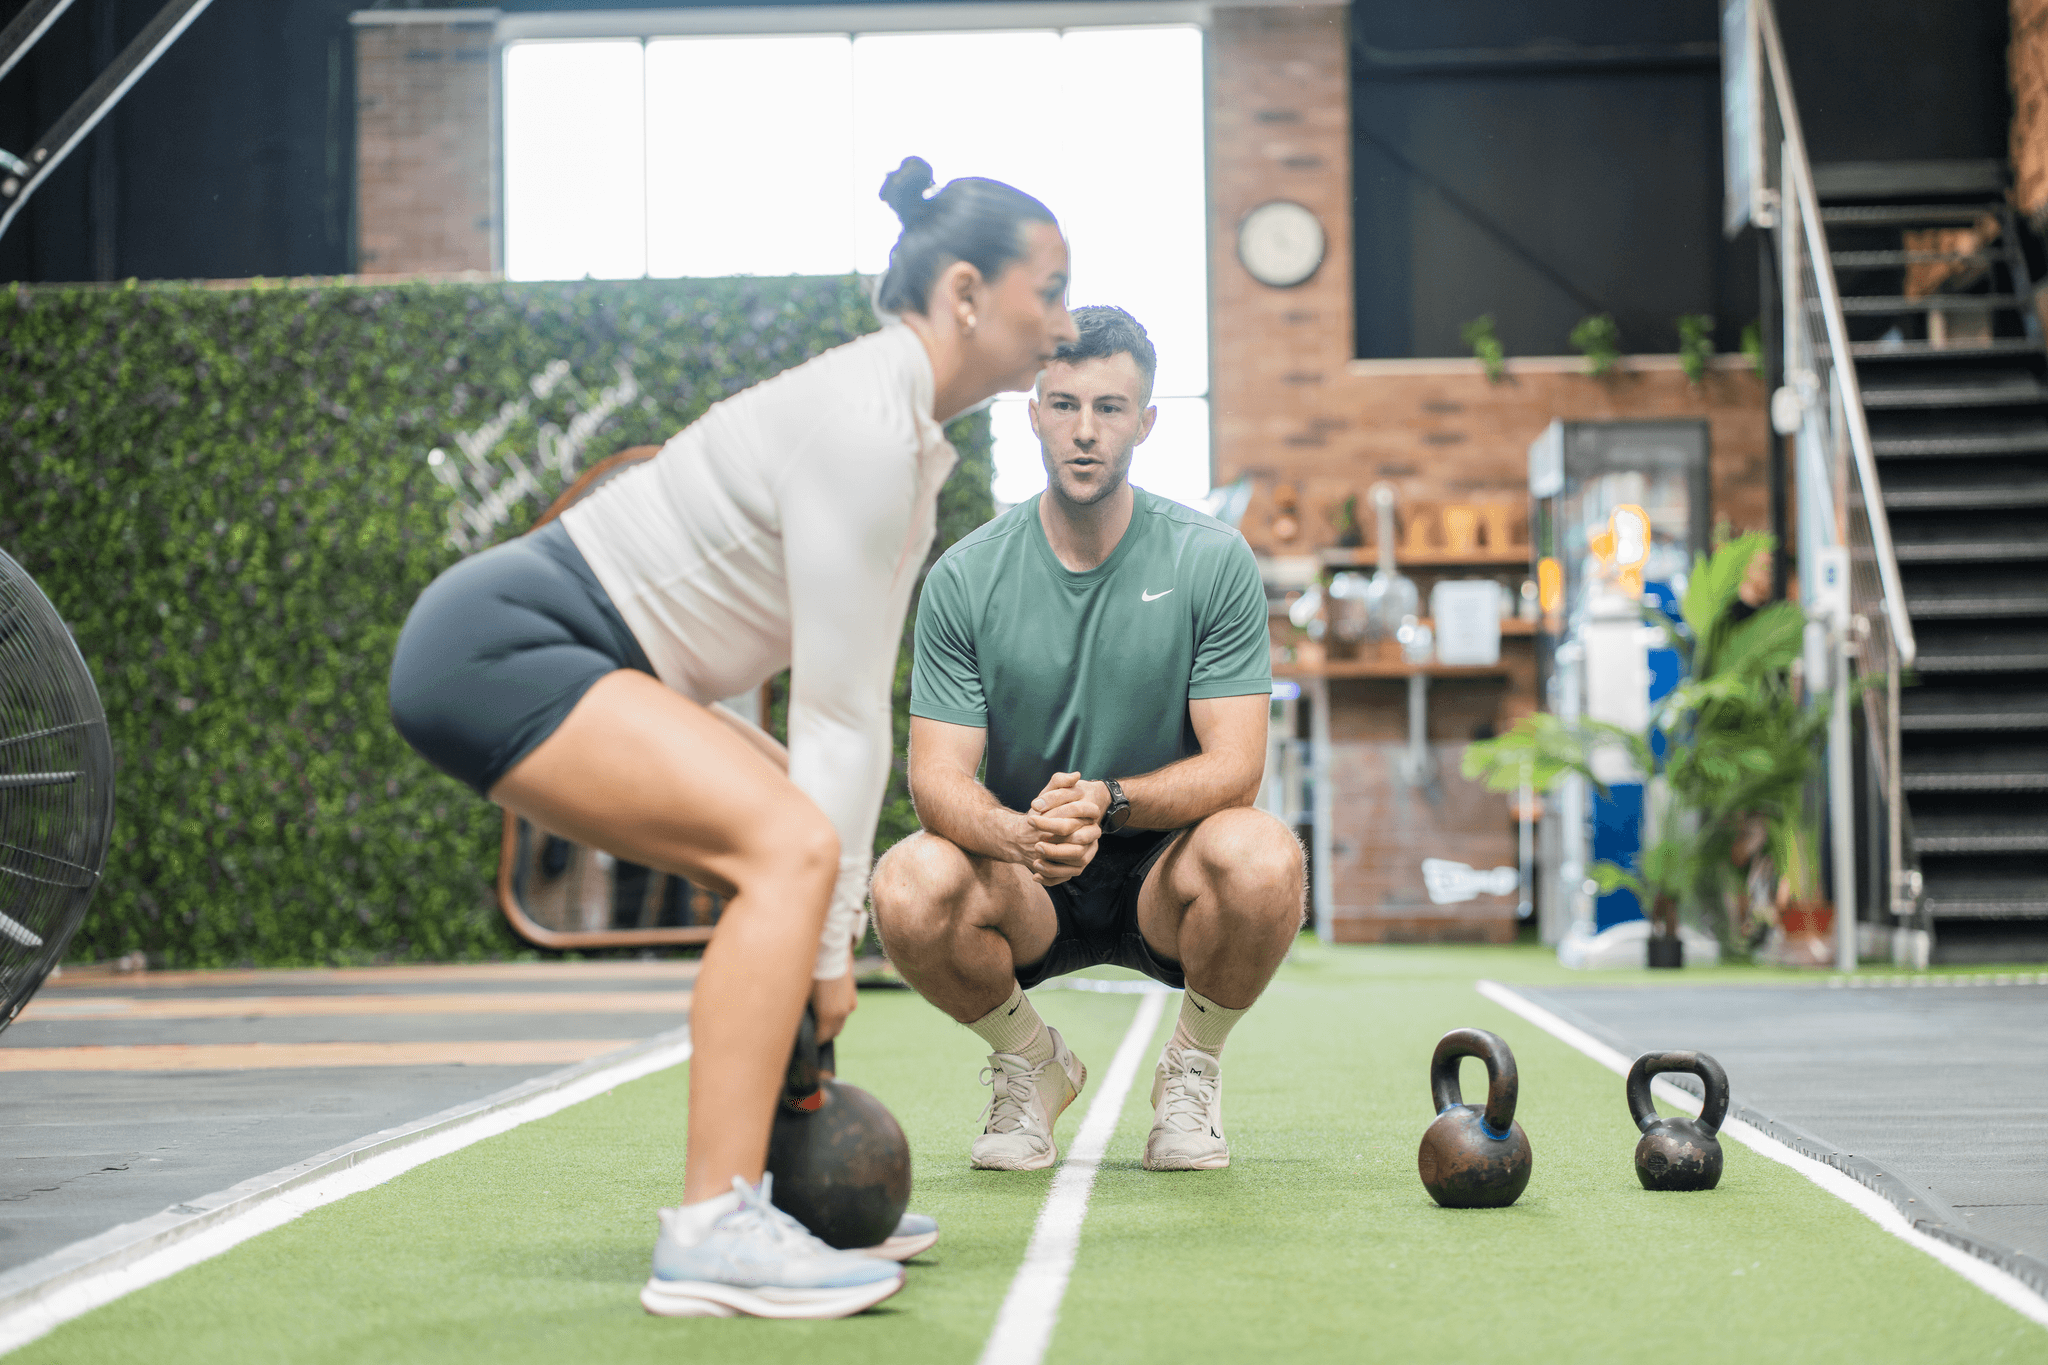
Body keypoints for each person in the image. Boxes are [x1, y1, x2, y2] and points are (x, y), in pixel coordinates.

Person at [387, 157, 1077, 1320]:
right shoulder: (865, 425)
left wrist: (820, 930)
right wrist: (827, 944)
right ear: (965, 291)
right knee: (790, 854)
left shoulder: (904, 436)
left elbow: (821, 714)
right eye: (1047, 291)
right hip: (507, 645)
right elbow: (841, 715)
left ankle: (768, 1192)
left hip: (585, 657)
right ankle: (711, 1232)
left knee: (784, 842)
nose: (1061, 324)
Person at [871, 305, 1304, 1175]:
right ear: (1031, 410)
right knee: (908, 881)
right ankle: (1033, 1064)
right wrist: (1020, 834)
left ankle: (1191, 1068)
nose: (1084, 430)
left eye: (1110, 408)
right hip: (1028, 868)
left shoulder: (1210, 558)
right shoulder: (967, 575)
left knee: (1262, 857)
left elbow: (1236, 768)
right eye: (1063, 404)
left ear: (1145, 422)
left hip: (1164, 870)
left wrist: (1109, 800)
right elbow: (937, 779)